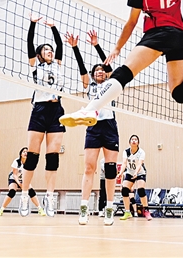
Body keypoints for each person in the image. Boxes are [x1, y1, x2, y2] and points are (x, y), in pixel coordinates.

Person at [19, 15, 65, 217]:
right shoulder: (34, 64)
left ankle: (50, 196)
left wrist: (54, 27)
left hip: (56, 110)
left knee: (52, 157)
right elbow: (29, 43)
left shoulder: (58, 64)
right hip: (39, 110)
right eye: (46, 49)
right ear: (39, 54)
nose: (50, 51)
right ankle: (24, 195)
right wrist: (33, 24)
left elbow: (60, 45)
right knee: (32, 155)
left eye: (51, 50)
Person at [71, 32, 119, 226]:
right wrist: (75, 47)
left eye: (102, 70)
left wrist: (97, 45)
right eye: (96, 70)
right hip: (93, 127)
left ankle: (109, 208)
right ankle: (84, 208)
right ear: (92, 75)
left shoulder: (111, 84)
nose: (100, 72)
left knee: (110, 169)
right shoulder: (88, 85)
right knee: (89, 167)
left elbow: (108, 66)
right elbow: (81, 67)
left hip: (110, 126)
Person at [0, 147, 45, 216]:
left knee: (31, 191)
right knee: (12, 192)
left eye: (27, 152)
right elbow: (15, 174)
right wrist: (19, 184)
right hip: (14, 179)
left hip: (24, 179)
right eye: (24, 151)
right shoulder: (16, 161)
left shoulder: (29, 163)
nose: (25, 153)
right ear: (20, 154)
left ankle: (40, 209)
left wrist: (25, 184)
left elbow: (29, 175)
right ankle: (1, 209)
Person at [119, 135, 153, 221]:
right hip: (130, 172)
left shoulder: (141, 152)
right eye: (132, 139)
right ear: (129, 142)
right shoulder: (126, 152)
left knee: (141, 189)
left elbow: (139, 164)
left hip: (140, 172)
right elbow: (124, 163)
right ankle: (127, 212)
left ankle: (146, 211)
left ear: (138, 142)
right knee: (124, 190)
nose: (134, 141)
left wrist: (136, 172)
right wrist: (120, 173)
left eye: (136, 139)